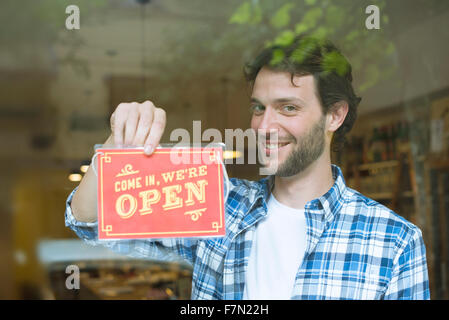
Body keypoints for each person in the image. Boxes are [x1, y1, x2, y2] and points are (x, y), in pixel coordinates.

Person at [65, 35, 430, 300]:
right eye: (259, 108)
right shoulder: (215, 203)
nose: (264, 126)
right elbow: (91, 224)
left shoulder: (394, 241)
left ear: (334, 115)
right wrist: (115, 146)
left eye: (288, 108)